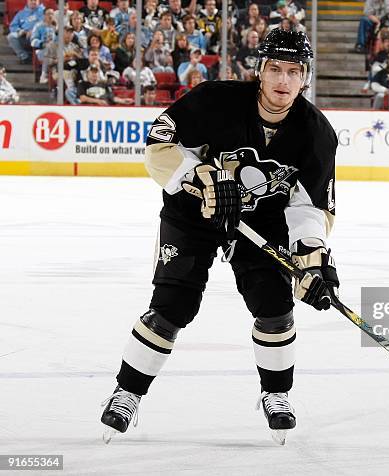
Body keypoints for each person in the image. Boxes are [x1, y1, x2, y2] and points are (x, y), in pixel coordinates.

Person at [100, 29, 338, 447]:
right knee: (172, 306)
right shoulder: (214, 99)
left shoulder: (317, 134)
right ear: (260, 72)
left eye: (294, 72)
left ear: (305, 78)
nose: (283, 81)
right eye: (275, 69)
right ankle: (127, 393)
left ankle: (277, 394)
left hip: (261, 223)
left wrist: (313, 261)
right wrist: (202, 177)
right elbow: (157, 150)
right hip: (192, 214)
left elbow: (308, 207)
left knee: (275, 307)